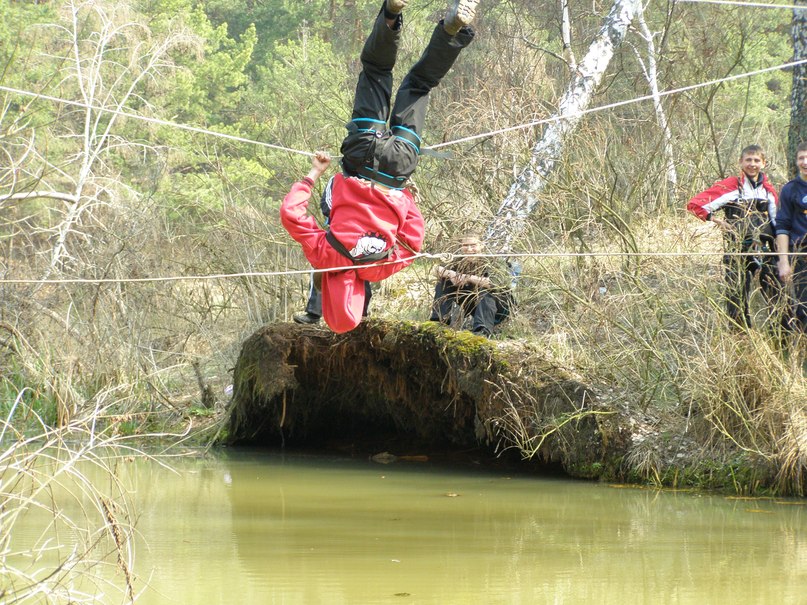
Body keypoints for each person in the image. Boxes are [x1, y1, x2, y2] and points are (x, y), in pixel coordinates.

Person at [281, 0, 478, 333]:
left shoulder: (377, 271)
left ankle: (450, 31)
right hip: (360, 154)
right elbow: (291, 214)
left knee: (418, 85)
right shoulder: (324, 257)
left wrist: (408, 201)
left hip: (397, 167)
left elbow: (413, 241)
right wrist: (314, 173)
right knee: (375, 71)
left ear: (359, 296)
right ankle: (391, 15)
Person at [686, 144, 782, 328]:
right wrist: (718, 221)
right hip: (737, 250)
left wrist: (782, 251)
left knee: (775, 293)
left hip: (765, 250)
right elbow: (694, 205)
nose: (752, 164)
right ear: (740, 162)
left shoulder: (769, 191)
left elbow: (777, 221)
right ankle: (741, 340)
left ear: (763, 163)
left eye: (756, 161)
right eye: (748, 160)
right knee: (736, 297)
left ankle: (778, 339)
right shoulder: (729, 186)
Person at [428, 234, 513, 337]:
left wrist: (467, 278)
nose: (469, 249)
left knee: (483, 289)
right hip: (475, 304)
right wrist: (452, 274)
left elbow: (495, 284)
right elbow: (436, 269)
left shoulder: (494, 261)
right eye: (465, 245)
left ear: (481, 245)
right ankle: (439, 323)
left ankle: (482, 333)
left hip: (500, 307)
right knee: (444, 282)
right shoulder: (459, 260)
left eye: (473, 245)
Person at [776, 142, 807, 332]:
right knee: (804, 308)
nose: (805, 162)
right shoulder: (789, 190)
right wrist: (784, 261)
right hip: (801, 255)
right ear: (796, 162)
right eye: (801, 158)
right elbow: (782, 227)